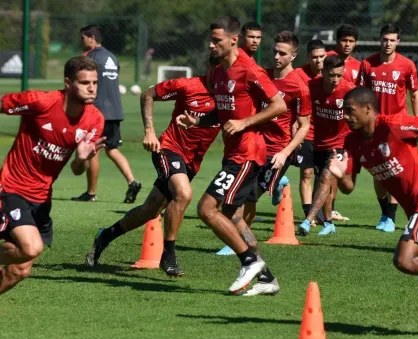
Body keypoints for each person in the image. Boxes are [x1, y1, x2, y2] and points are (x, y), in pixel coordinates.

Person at [299, 86, 418, 308]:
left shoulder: (393, 125)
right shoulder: (352, 142)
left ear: (368, 109)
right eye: (344, 112)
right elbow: (349, 187)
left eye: (350, 111)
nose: (346, 117)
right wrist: (339, 175)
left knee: (404, 260)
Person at [85, 57, 221, 277]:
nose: (223, 74)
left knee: (149, 211)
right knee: (184, 195)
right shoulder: (188, 85)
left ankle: (105, 236)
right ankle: (168, 255)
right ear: (208, 67)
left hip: (193, 161)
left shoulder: (229, 97)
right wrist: (149, 130)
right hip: (169, 149)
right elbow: (148, 94)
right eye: (218, 69)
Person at [178, 16, 286, 293]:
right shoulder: (218, 73)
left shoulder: (250, 70)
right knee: (232, 216)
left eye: (217, 40)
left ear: (233, 39)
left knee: (206, 209)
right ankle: (267, 279)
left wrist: (245, 123)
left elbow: (278, 106)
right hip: (234, 153)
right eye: (211, 40)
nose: (212, 45)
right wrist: (197, 122)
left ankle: (249, 262)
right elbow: (222, 113)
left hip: (248, 153)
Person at [0, 56, 106, 295]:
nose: (92, 88)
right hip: (11, 188)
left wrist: (81, 158)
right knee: (31, 247)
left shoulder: (95, 120)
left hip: (42, 199)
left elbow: (77, 170)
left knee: (20, 270)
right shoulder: (41, 101)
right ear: (68, 83)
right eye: (84, 82)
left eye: (95, 82)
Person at [234, 30, 310, 296]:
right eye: (275, 51)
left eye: (282, 53)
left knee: (244, 202)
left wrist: (285, 152)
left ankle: (249, 257)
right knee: (243, 202)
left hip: (275, 153)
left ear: (294, 55)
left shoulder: (298, 85)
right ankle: (248, 253)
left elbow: (304, 126)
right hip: (254, 147)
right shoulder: (263, 75)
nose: (276, 57)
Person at [359, 23, 418, 232]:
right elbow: (360, 95)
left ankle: (391, 218)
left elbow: (414, 94)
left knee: (396, 172)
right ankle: (385, 212)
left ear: (398, 42)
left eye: (392, 40)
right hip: (374, 128)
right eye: (385, 39)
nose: (388, 43)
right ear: (380, 40)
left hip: (399, 127)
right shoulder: (367, 64)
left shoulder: (407, 65)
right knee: (379, 174)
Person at [72, 25, 142, 203]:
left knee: (93, 151)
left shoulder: (88, 57)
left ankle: (91, 193)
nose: (81, 42)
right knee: (112, 149)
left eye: (83, 38)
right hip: (115, 110)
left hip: (97, 112)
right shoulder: (112, 57)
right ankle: (132, 181)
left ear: (91, 38)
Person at [298, 55, 355, 236]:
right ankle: (329, 223)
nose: (335, 80)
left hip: (341, 143)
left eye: (339, 75)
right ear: (322, 72)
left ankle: (308, 220)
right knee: (326, 184)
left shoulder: (348, 90)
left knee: (325, 178)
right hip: (319, 144)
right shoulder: (311, 87)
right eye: (331, 75)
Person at [294, 40, 325, 219]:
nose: (318, 61)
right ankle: (308, 215)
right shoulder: (298, 74)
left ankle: (323, 213)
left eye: (322, 56)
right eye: (314, 57)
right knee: (306, 172)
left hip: (325, 134)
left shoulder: (330, 74)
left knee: (324, 176)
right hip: (305, 130)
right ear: (308, 57)